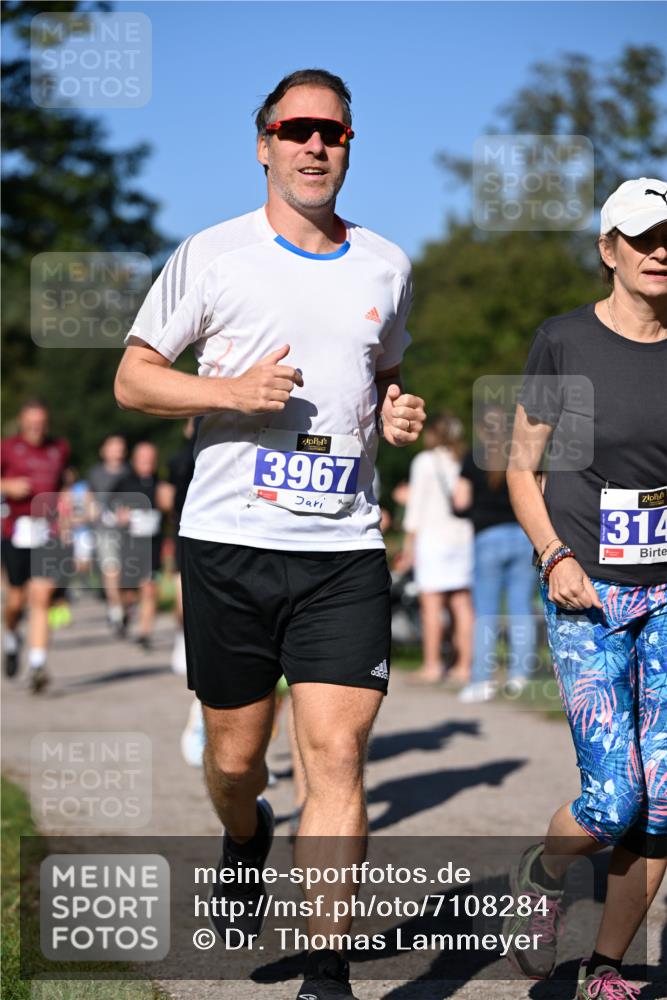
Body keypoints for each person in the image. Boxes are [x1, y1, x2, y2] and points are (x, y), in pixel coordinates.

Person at [114, 68, 425, 1000]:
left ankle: (325, 971)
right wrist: (226, 394)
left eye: (332, 133)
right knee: (235, 760)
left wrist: (399, 409)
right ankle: (243, 833)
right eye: (296, 130)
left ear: (348, 147)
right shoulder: (212, 256)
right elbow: (135, 379)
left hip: (342, 548)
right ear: (263, 144)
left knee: (333, 756)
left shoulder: (386, 263)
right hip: (229, 543)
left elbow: (383, 378)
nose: (314, 146)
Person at [505, 178, 667, 999]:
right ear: (608, 250)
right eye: (641, 237)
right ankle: (541, 870)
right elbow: (519, 466)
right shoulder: (564, 342)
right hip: (587, 591)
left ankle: (604, 973)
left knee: (666, 805)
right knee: (611, 801)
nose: (660, 250)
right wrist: (552, 556)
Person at [453, 404, 537, 702]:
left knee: (486, 612)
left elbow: (460, 502)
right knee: (520, 608)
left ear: (481, 428)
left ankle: (482, 681)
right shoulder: (523, 454)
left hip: (487, 538)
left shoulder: (474, 457)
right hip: (524, 536)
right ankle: (520, 676)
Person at [398, 413, 473, 684]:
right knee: (462, 603)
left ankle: (433, 664)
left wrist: (409, 547)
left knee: (431, 605)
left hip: (433, 539)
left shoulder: (424, 462)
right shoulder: (462, 460)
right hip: (463, 538)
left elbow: (416, 508)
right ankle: (464, 666)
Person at [1, 401, 70, 691]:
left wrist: (65, 513)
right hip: (15, 530)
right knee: (16, 599)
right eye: (31, 422)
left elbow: (64, 483)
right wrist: (7, 486)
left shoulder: (59, 449)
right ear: (22, 421)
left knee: (41, 596)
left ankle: (38, 664)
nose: (36, 427)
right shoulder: (7, 448)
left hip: (47, 531)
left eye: (41, 422)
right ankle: (12, 636)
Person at [112, 442, 170, 651]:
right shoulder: (124, 482)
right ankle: (126, 609)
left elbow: (168, 510)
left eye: (151, 458)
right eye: (143, 458)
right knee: (127, 589)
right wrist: (119, 515)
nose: (147, 462)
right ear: (135, 459)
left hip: (153, 543)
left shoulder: (161, 483)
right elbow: (110, 508)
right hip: (130, 544)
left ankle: (145, 633)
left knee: (149, 589)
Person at [87, 434, 130, 633]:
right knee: (111, 570)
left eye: (120, 446)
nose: (117, 450)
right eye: (113, 446)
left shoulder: (130, 472)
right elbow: (89, 498)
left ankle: (124, 605)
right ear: (103, 450)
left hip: (128, 531)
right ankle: (115, 610)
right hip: (104, 530)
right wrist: (91, 511)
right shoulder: (96, 473)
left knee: (128, 574)